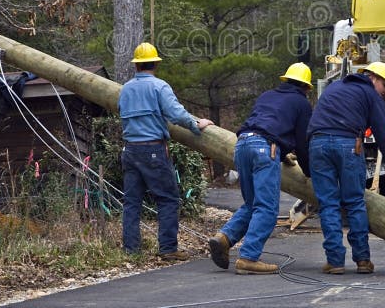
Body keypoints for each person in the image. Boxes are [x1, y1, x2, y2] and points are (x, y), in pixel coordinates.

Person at [208, 63, 313, 275]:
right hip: (265, 149)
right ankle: (248, 257)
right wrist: (309, 172)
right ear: (306, 87)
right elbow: (302, 142)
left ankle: (224, 237)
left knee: (252, 203)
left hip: (243, 145)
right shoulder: (301, 103)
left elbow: (268, 124)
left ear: (286, 80)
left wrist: (282, 155)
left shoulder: (267, 95)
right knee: (267, 207)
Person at [306, 62, 385, 275]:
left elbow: (315, 119)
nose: (384, 93)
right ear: (374, 78)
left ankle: (335, 262)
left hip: (318, 143)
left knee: (328, 204)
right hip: (348, 145)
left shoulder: (333, 87)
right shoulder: (371, 95)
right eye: (384, 87)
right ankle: (362, 260)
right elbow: (383, 135)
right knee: (354, 202)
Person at [119, 42, 214, 260]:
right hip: (153, 149)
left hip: (130, 150)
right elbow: (176, 114)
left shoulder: (125, 89)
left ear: (136, 66)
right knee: (168, 199)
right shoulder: (159, 87)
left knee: (132, 202)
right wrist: (195, 124)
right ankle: (168, 248)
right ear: (155, 64)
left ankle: (131, 250)